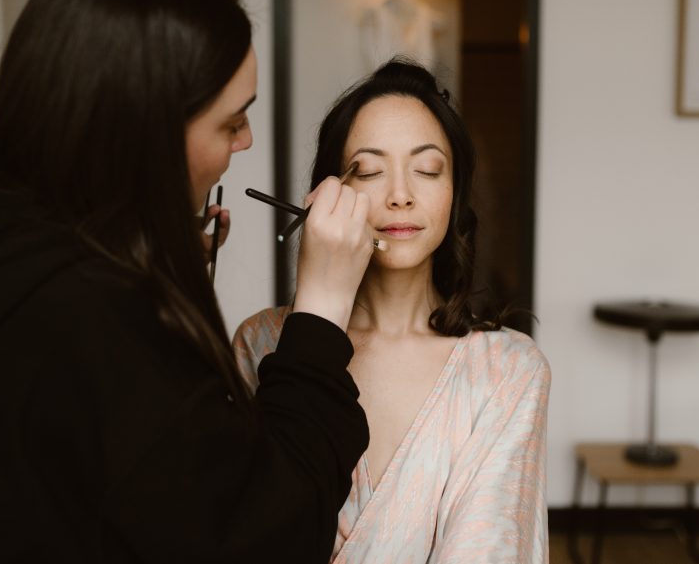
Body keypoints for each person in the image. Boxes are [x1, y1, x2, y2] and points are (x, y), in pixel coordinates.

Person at [0, 0, 375, 563]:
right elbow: (266, 534)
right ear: (145, 136)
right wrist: (323, 310)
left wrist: (142, 262)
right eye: (230, 124)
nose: (246, 140)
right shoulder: (99, 324)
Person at [234, 59, 550, 564]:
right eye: (369, 170)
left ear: (455, 193)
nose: (400, 196)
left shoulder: (509, 369)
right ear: (327, 194)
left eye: (427, 170)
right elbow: (238, 528)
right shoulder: (262, 342)